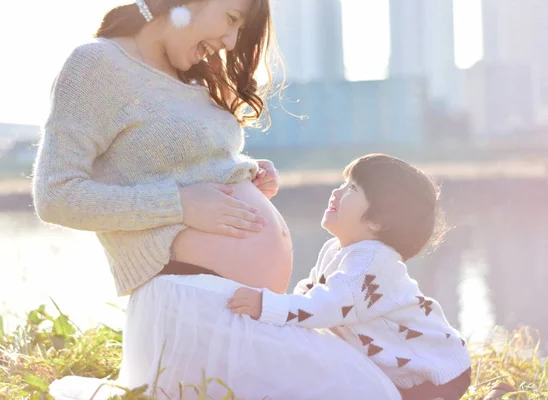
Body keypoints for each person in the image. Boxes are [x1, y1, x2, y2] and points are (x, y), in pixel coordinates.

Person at [33, 0, 401, 399]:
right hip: (187, 302)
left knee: (368, 382)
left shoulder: (191, 74)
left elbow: (174, 162)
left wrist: (242, 172)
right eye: (230, 20)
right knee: (365, 389)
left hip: (237, 305)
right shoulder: (97, 64)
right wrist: (182, 204)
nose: (228, 42)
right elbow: (56, 195)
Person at [228, 154, 473, 400]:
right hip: (393, 366)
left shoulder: (372, 262)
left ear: (377, 221)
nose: (337, 192)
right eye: (343, 183)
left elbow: (325, 305)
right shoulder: (335, 249)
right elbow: (310, 292)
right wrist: (282, 310)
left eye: (352, 188)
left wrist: (267, 305)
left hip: (433, 370)